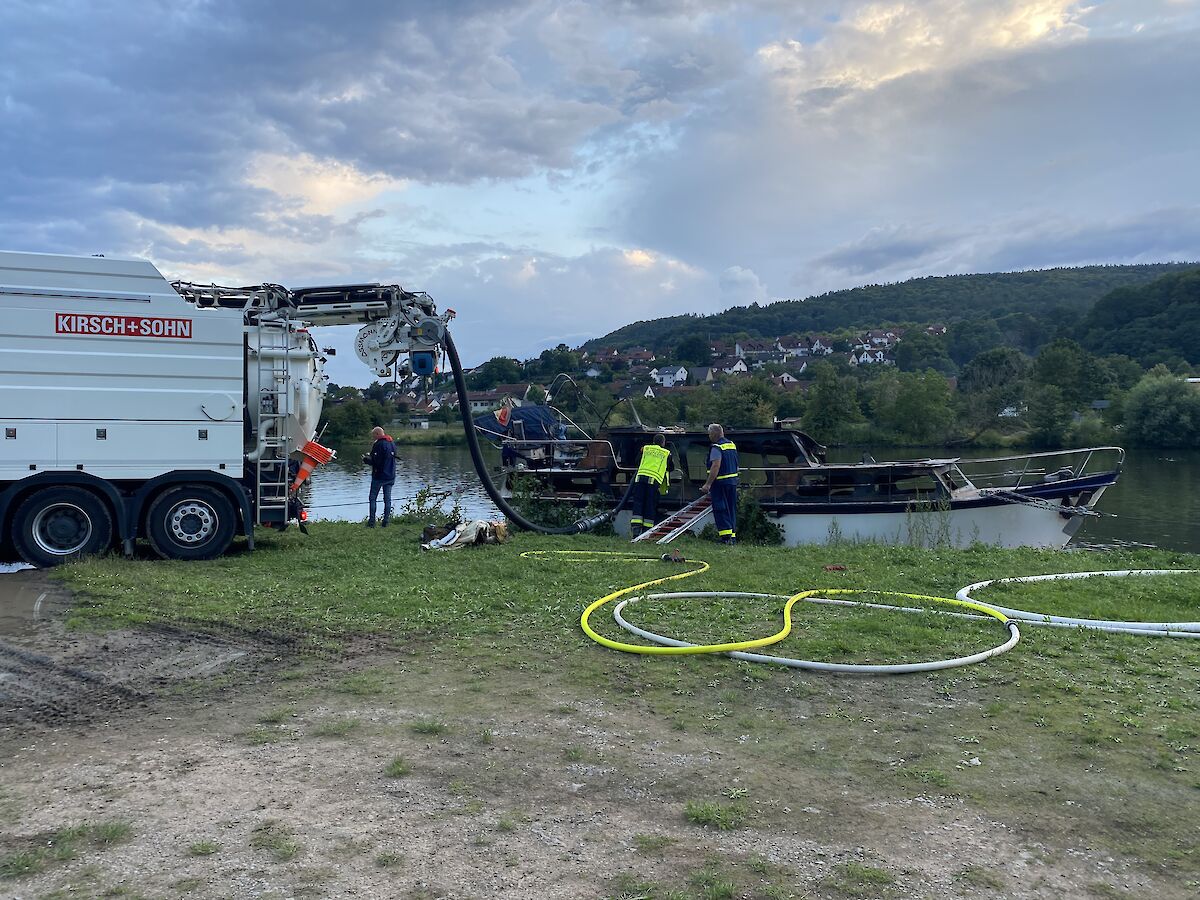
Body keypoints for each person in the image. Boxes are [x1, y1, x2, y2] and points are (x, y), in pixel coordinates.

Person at [700, 423, 738, 544]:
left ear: (714, 434)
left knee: (720, 509)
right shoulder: (731, 445)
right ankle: (732, 537)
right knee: (731, 509)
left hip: (720, 483)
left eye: (709, 434)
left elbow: (716, 465)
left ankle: (725, 538)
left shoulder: (717, 447)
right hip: (732, 482)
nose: (709, 436)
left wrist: (708, 484)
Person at [629, 433, 672, 537]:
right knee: (650, 504)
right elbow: (671, 468)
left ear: (653, 442)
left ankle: (635, 530)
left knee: (638, 502)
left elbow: (637, 461)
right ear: (663, 443)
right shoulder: (667, 453)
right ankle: (646, 531)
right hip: (653, 481)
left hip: (639, 479)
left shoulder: (645, 449)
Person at [362, 425, 396, 527]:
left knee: (372, 498)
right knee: (387, 499)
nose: (373, 438)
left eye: (373, 435)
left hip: (379, 476)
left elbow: (376, 462)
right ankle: (386, 521)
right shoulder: (392, 443)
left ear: (377, 434)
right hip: (391, 475)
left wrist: (366, 459)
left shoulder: (379, 444)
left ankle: (372, 522)